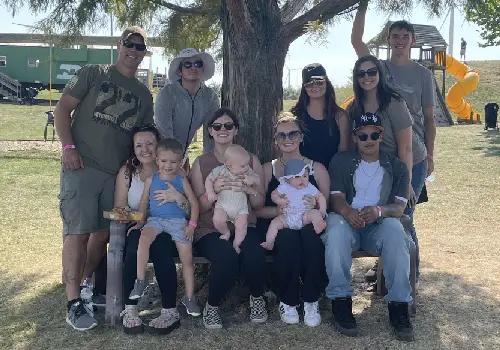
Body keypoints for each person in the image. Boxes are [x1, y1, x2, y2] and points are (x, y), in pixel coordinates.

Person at [55, 26, 154, 331]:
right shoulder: (93, 72)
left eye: (139, 48)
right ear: (118, 45)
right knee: (78, 233)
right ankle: (73, 302)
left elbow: (145, 136)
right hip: (82, 166)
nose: (133, 51)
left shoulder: (143, 95)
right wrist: (68, 147)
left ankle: (85, 287)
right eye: (129, 44)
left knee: (102, 235)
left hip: (116, 176)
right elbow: (62, 109)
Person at [351, 1, 435, 277]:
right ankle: (386, 267)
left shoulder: (422, 74)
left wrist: (427, 161)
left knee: (405, 214)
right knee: (385, 211)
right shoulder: (378, 69)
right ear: (388, 40)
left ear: (413, 41)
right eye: (395, 36)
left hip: (413, 153)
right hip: (384, 156)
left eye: (405, 36)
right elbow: (356, 40)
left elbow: (430, 118)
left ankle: (411, 274)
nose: (400, 41)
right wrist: (362, 5)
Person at [322, 112, 414, 342]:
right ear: (355, 137)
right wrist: (347, 212)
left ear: (382, 136)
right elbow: (336, 198)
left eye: (374, 134)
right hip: (347, 221)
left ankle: (399, 305)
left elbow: (399, 208)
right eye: (363, 135)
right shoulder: (341, 161)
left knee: (396, 232)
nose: (369, 139)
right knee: (335, 230)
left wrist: (378, 211)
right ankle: (340, 301)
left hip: (379, 223)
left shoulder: (397, 167)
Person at [188, 108, 268, 329]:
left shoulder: (251, 161)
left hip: (244, 223)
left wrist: (249, 189)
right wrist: (212, 191)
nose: (222, 130)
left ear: (236, 131)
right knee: (226, 257)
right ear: (210, 132)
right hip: (210, 228)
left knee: (254, 252)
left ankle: (257, 298)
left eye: (228, 125)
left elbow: (259, 203)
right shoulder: (202, 164)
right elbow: (198, 206)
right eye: (217, 126)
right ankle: (212, 307)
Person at [255, 114, 330, 327]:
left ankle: (311, 298)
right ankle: (287, 300)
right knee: (287, 239)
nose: (287, 139)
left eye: (293, 133)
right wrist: (279, 210)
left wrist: (314, 207)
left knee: (311, 237)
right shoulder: (268, 169)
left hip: (308, 221)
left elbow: (327, 206)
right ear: (275, 140)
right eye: (282, 135)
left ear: (301, 137)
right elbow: (257, 210)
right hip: (282, 223)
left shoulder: (317, 168)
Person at [115, 125, 189, 334]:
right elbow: (119, 207)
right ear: (133, 148)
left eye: (150, 143)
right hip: (140, 225)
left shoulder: (172, 170)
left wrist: (179, 198)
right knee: (133, 247)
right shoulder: (128, 172)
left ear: (159, 146)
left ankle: (169, 309)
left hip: (170, 225)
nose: (145, 149)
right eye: (139, 145)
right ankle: (130, 308)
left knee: (163, 248)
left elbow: (189, 208)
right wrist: (140, 216)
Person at [127, 138, 201, 316]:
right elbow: (144, 201)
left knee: (187, 259)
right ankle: (140, 280)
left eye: (173, 162)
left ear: (181, 161)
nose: (168, 165)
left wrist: (191, 225)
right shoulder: (151, 179)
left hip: (179, 223)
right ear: (157, 160)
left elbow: (194, 203)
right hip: (156, 220)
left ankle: (189, 298)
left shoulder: (181, 179)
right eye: (164, 161)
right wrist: (140, 221)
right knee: (143, 239)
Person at [154, 48, 219, 168]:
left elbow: (210, 135)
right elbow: (164, 133)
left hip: (182, 156)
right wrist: (175, 162)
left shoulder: (211, 97)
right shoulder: (166, 94)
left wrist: (209, 165)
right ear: (180, 71)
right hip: (160, 157)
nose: (193, 68)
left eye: (198, 64)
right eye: (187, 64)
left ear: (203, 69)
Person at [290, 63, 350, 168]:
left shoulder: (340, 117)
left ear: (327, 83)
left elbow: (343, 154)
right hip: (301, 178)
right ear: (304, 87)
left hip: (332, 176)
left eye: (319, 82)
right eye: (309, 83)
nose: (314, 86)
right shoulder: (294, 116)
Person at [260, 159, 327, 250]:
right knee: (274, 223)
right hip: (287, 217)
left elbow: (320, 196)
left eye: (304, 176)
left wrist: (322, 210)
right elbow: (274, 194)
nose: (302, 179)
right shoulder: (284, 186)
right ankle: (269, 242)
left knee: (314, 213)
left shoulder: (310, 187)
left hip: (304, 216)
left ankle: (317, 225)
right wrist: (279, 201)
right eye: (297, 176)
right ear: (288, 178)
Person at [205, 144, 261, 253]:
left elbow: (257, 180)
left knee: (242, 226)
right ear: (229, 165)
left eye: (247, 165)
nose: (246, 167)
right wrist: (210, 192)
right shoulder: (220, 170)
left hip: (240, 208)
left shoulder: (247, 171)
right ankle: (226, 232)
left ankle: (236, 243)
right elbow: (209, 180)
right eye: (243, 166)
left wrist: (251, 179)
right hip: (223, 206)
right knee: (217, 220)